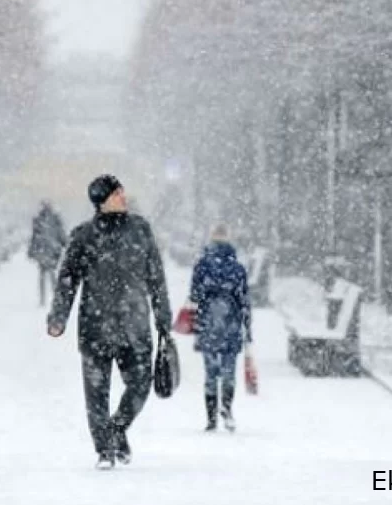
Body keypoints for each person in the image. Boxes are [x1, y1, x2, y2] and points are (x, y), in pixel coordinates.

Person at [47, 175, 173, 470]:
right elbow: (67, 280)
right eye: (117, 193)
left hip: (136, 325)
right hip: (95, 327)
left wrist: (163, 317)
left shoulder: (141, 230)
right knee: (96, 394)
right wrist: (58, 317)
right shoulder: (83, 236)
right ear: (102, 200)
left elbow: (156, 277)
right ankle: (104, 449)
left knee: (141, 386)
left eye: (122, 191)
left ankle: (116, 428)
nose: (123, 196)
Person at [186, 223, 251, 432]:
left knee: (211, 372)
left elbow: (194, 295)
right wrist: (248, 330)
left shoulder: (202, 265)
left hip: (208, 323)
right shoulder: (238, 268)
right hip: (231, 323)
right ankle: (227, 409)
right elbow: (244, 302)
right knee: (228, 370)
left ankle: (211, 417)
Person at [28, 200, 67, 307]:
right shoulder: (54, 219)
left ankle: (44, 298)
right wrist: (64, 243)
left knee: (44, 274)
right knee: (51, 273)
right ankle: (54, 297)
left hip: (44, 251)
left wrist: (31, 250)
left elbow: (34, 237)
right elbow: (61, 233)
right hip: (52, 250)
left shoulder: (39, 219)